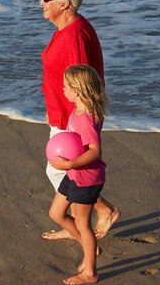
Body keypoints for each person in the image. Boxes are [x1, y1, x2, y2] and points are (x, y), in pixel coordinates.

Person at [40, 0, 119, 240]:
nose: (42, 3)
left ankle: (83, 225)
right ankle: (82, 221)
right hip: (62, 113)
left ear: (64, 4)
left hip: (71, 119)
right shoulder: (66, 29)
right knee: (65, 170)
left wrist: (75, 124)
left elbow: (84, 84)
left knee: (60, 169)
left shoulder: (74, 36)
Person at [48, 65, 108, 285]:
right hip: (74, 173)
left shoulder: (86, 118)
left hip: (87, 178)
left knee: (84, 225)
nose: (63, 90)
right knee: (56, 214)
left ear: (78, 90)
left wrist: (71, 162)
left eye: (66, 87)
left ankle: (90, 273)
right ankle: (89, 247)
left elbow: (94, 150)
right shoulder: (79, 110)